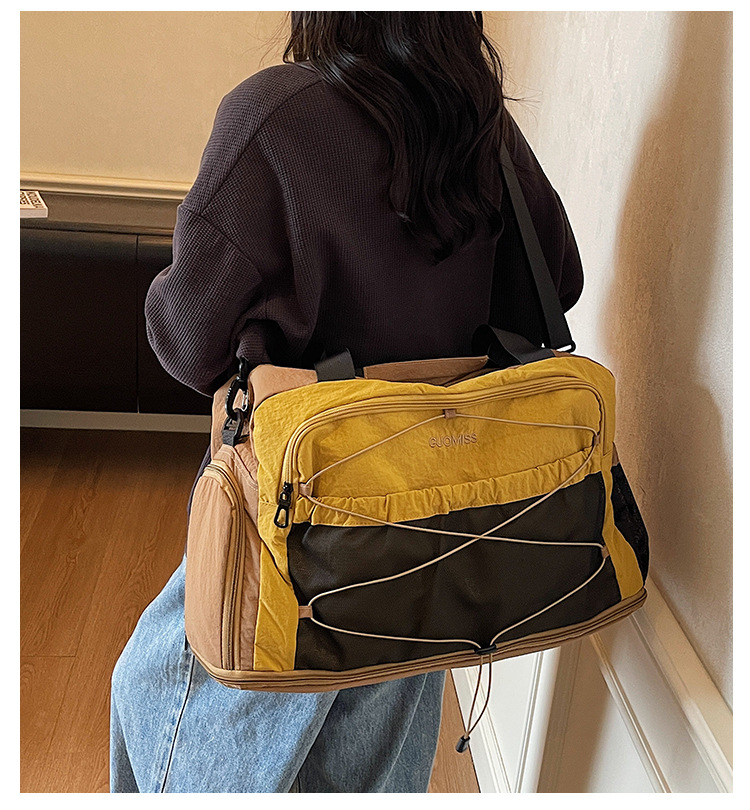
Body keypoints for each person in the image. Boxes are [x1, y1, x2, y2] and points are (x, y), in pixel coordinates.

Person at [109, 11, 583, 793]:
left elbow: (186, 338)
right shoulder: (478, 123)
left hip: (292, 515)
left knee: (168, 706)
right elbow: (556, 283)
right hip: (433, 533)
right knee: (375, 764)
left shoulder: (273, 115)